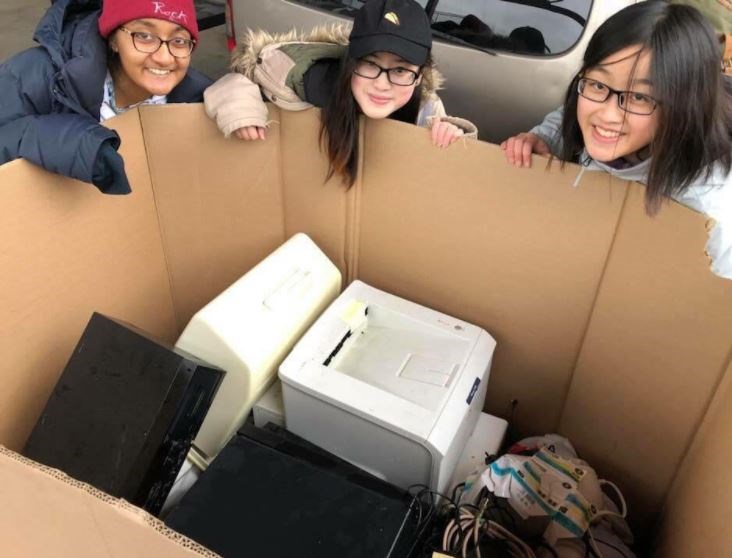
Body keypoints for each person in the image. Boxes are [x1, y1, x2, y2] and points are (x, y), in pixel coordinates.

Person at [500, 1, 732, 279]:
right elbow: (566, 116)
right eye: (598, 84)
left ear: (683, 106)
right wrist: (543, 138)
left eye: (640, 97)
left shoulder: (708, 213)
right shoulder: (597, 108)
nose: (607, 115)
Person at [204, 0, 477, 187]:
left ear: (420, 76)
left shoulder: (425, 106)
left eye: (401, 70)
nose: (382, 84)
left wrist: (454, 137)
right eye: (371, 64)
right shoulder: (302, 78)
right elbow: (235, 80)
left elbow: (448, 183)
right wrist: (240, 106)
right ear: (350, 62)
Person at [0, 0, 212, 195]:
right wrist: (75, 142)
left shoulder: (196, 99)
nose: (164, 58)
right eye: (144, 36)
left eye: (179, 40)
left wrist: (231, 95)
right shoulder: (33, 76)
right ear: (113, 39)